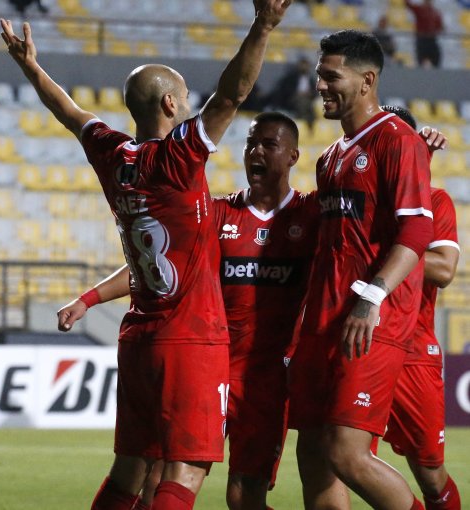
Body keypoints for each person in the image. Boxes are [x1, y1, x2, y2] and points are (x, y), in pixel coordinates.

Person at [0, 1, 291, 507]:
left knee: (131, 469)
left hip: (139, 335)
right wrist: (263, 25)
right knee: (185, 468)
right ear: (173, 106)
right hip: (190, 339)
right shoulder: (177, 160)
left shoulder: (113, 153)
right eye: (184, 97)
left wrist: (30, 67)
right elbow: (234, 93)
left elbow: (70, 113)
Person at [60, 111, 319, 510]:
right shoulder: (219, 214)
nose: (256, 151)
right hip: (204, 365)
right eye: (251, 143)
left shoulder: (310, 216)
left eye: (269, 144)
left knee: (242, 497)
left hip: (264, 381)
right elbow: (157, 262)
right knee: (157, 475)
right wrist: (88, 299)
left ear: (293, 157)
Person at [287, 29, 433, 510]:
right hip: (322, 321)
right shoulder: (331, 157)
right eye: (319, 76)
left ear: (367, 80)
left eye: (332, 77)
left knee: (346, 454)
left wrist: (370, 298)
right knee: (312, 452)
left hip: (370, 321)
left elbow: (414, 235)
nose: (320, 86)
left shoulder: (399, 141)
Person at [376, 105, 462, 510]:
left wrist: (378, 255)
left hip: (413, 351)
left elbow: (444, 268)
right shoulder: (353, 197)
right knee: (338, 455)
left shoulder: (434, 200)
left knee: (430, 474)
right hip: (358, 343)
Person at [405, 0, 444, 68]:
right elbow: (408, 5)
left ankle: (435, 74)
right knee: (421, 59)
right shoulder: (420, 9)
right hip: (422, 39)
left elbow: (440, 26)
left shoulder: (435, 12)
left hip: (431, 39)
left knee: (436, 57)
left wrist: (437, 29)